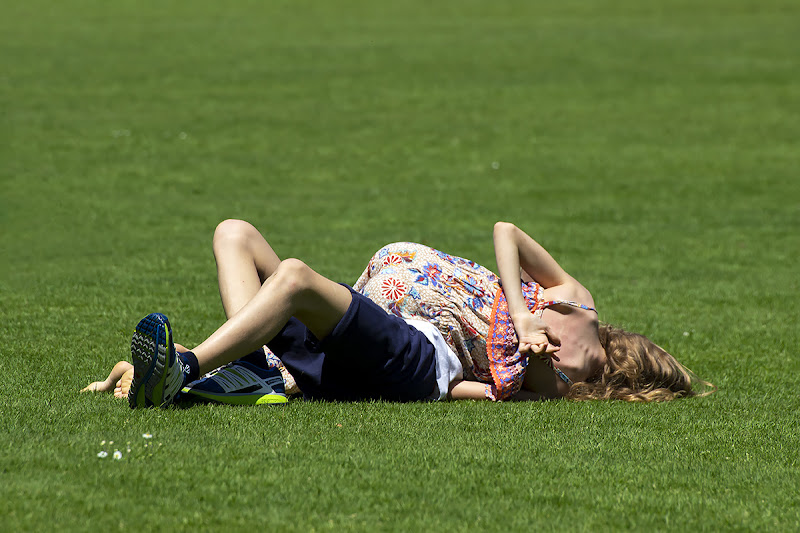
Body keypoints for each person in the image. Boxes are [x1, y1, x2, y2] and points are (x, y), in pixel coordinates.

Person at [86, 220, 712, 405]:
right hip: (385, 329)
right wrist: (524, 313)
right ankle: (253, 367)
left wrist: (452, 388)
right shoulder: (574, 304)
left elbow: (484, 391)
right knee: (234, 234)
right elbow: (506, 233)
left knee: (296, 278)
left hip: (416, 350)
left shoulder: (567, 380)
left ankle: (188, 366)